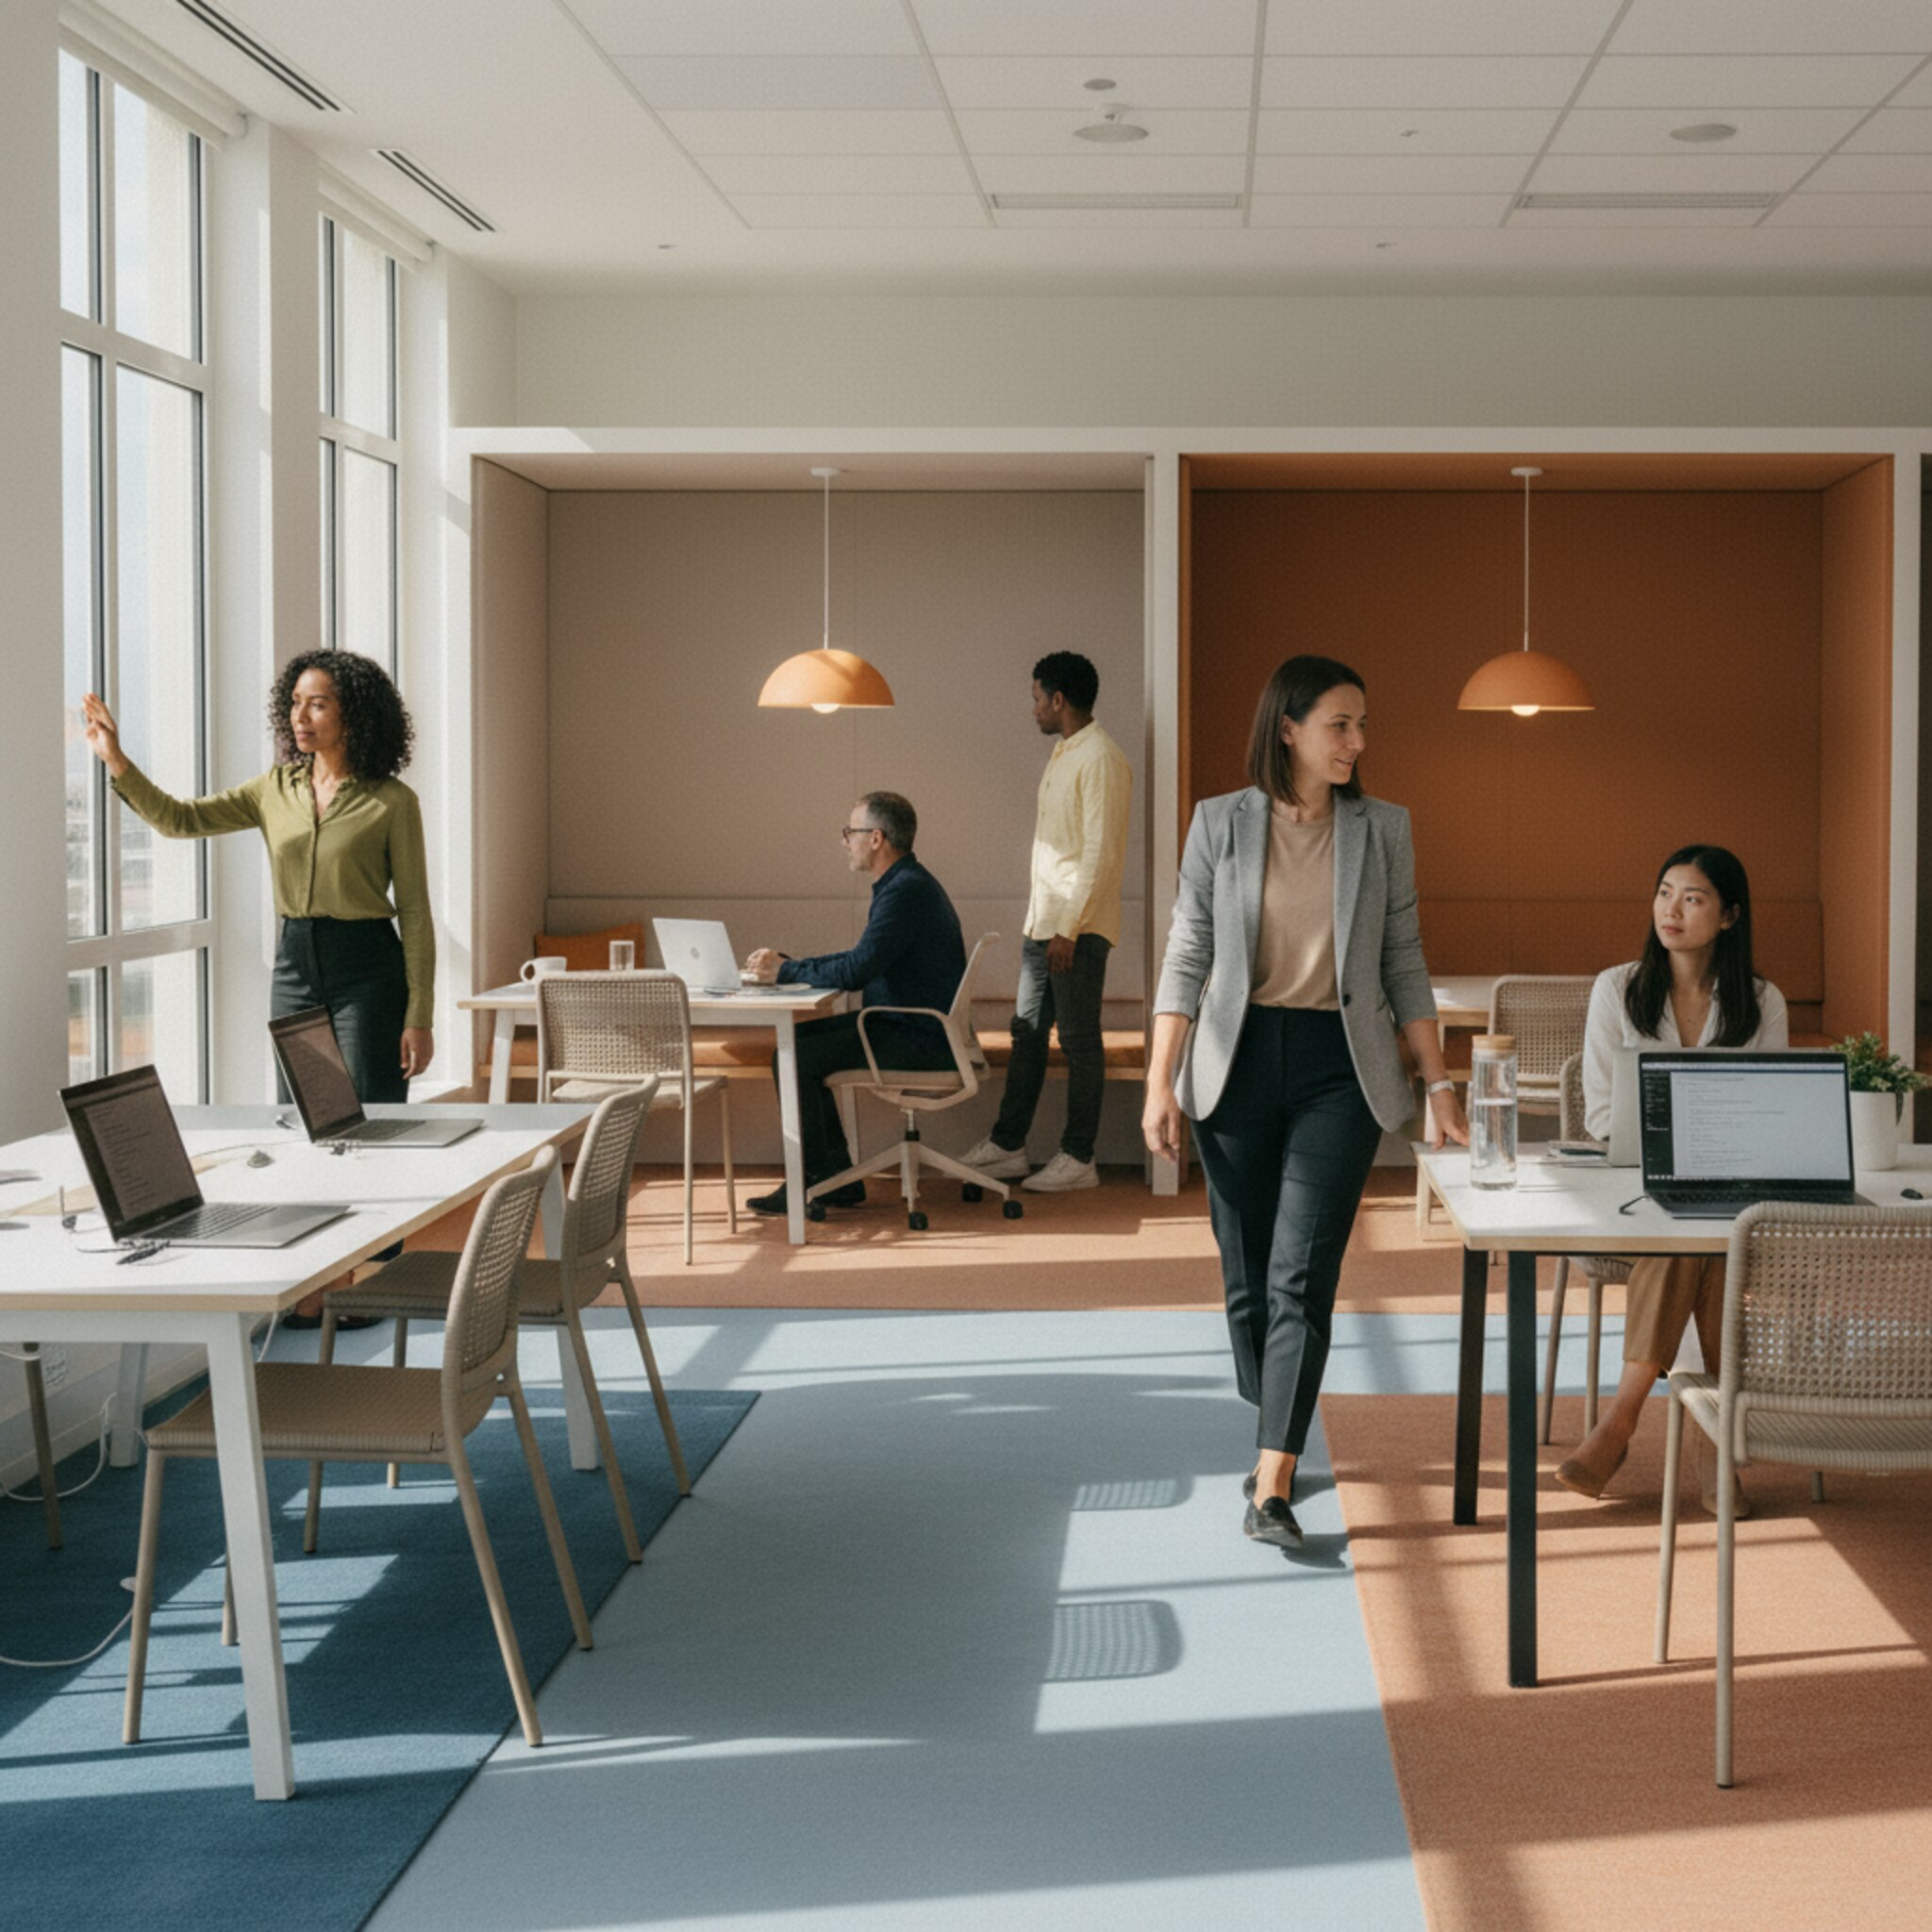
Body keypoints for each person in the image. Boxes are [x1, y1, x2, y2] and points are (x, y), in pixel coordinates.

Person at [1144, 656, 1467, 1550]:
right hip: (1234, 1062)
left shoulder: (1382, 829)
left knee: (1301, 1274)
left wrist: (1438, 1082)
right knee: (1248, 1277)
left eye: (1362, 726)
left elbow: (1403, 957)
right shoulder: (1219, 823)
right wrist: (1160, 1082)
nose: (1357, 742)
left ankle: (1274, 1479)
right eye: (1340, 724)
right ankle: (1273, 1421)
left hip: (1340, 1069)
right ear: (1287, 729)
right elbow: (1188, 953)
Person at [82, 649, 434, 1321]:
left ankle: (373, 1279)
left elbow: (414, 912)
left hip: (369, 967)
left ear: (353, 715)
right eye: (295, 703)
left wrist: (420, 1013)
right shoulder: (274, 789)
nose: (302, 716)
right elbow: (180, 819)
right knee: (304, 1123)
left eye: (318, 703)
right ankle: (310, 1280)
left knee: (368, 1124)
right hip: (296, 963)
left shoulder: (391, 801)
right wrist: (116, 760)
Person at [1556, 844, 1788, 1514]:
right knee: (1695, 1244)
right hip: (1634, 1193)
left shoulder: (1761, 1001)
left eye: (1693, 898)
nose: (1672, 910)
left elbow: (1767, 1107)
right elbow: (1603, 1114)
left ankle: (1620, 1421)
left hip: (1728, 1192)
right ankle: (1712, 1447)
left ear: (1729, 916)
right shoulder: (1617, 989)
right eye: (1664, 893)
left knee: (1697, 1240)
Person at [743, 791, 965, 1217]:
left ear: (876, 838)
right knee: (795, 1045)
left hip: (916, 1038)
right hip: (910, 1027)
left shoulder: (904, 891)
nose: (845, 841)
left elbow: (856, 971)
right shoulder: (906, 883)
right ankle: (832, 1179)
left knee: (793, 1056)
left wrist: (786, 971)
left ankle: (815, 1179)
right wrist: (792, 966)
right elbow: (861, 958)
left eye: (851, 832)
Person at [960, 651, 1132, 1194]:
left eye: (1036, 698)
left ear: (1059, 700)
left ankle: (1079, 1157)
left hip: (1073, 930)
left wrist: (1069, 928)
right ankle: (1009, 1145)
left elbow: (1100, 853)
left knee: (1079, 1041)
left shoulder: (1100, 758)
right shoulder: (1065, 753)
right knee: (1028, 1034)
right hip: (1044, 927)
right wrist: (1047, 925)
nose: (1032, 708)